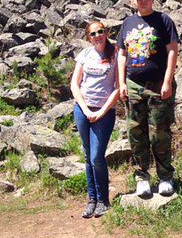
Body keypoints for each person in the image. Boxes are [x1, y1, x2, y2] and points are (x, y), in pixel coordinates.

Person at [117, 0, 179, 198]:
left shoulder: (164, 21)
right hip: (133, 85)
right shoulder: (128, 23)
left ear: (152, 0)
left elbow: (172, 52)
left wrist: (167, 81)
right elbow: (122, 55)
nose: (142, 1)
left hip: (157, 85)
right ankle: (141, 177)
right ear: (134, 0)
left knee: (159, 133)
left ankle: (165, 177)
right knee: (136, 132)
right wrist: (122, 83)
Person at [70, 21, 119, 218]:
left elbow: (118, 87)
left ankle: (103, 200)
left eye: (100, 31)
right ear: (88, 37)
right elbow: (75, 83)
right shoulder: (84, 55)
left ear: (106, 33)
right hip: (82, 109)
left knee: (97, 156)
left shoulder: (116, 54)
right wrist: (84, 108)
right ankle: (92, 200)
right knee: (87, 155)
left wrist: (101, 112)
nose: (97, 35)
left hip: (104, 112)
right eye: (93, 33)